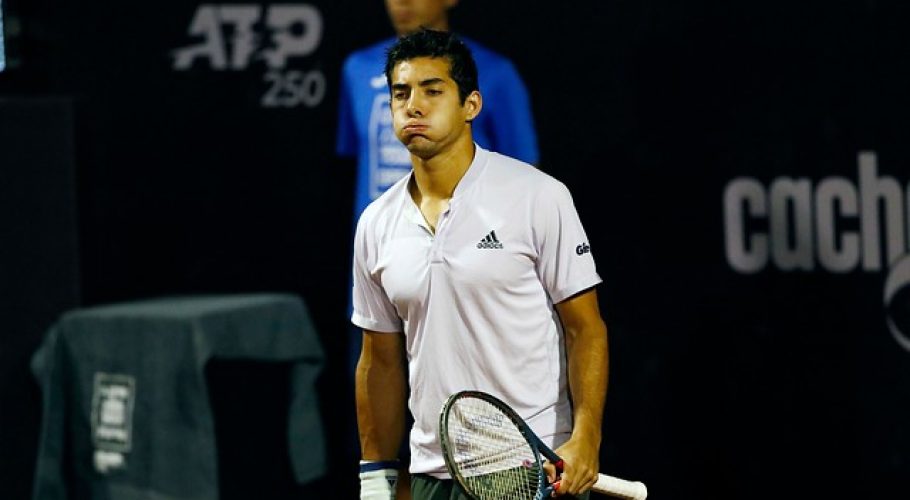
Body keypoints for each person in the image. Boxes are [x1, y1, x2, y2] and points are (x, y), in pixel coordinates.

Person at [353, 29, 608, 500]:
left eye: (433, 91)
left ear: (471, 105)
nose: (414, 105)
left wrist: (586, 438)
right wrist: (376, 475)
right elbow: (380, 362)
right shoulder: (375, 223)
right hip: (432, 472)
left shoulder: (537, 196)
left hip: (533, 468)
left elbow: (585, 330)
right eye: (401, 93)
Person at [337, 0, 540, 379]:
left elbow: (525, 181)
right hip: (384, 274)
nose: (403, 2)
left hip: (469, 277)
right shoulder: (356, 70)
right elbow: (359, 162)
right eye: (401, 94)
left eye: (432, 92)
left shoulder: (493, 73)